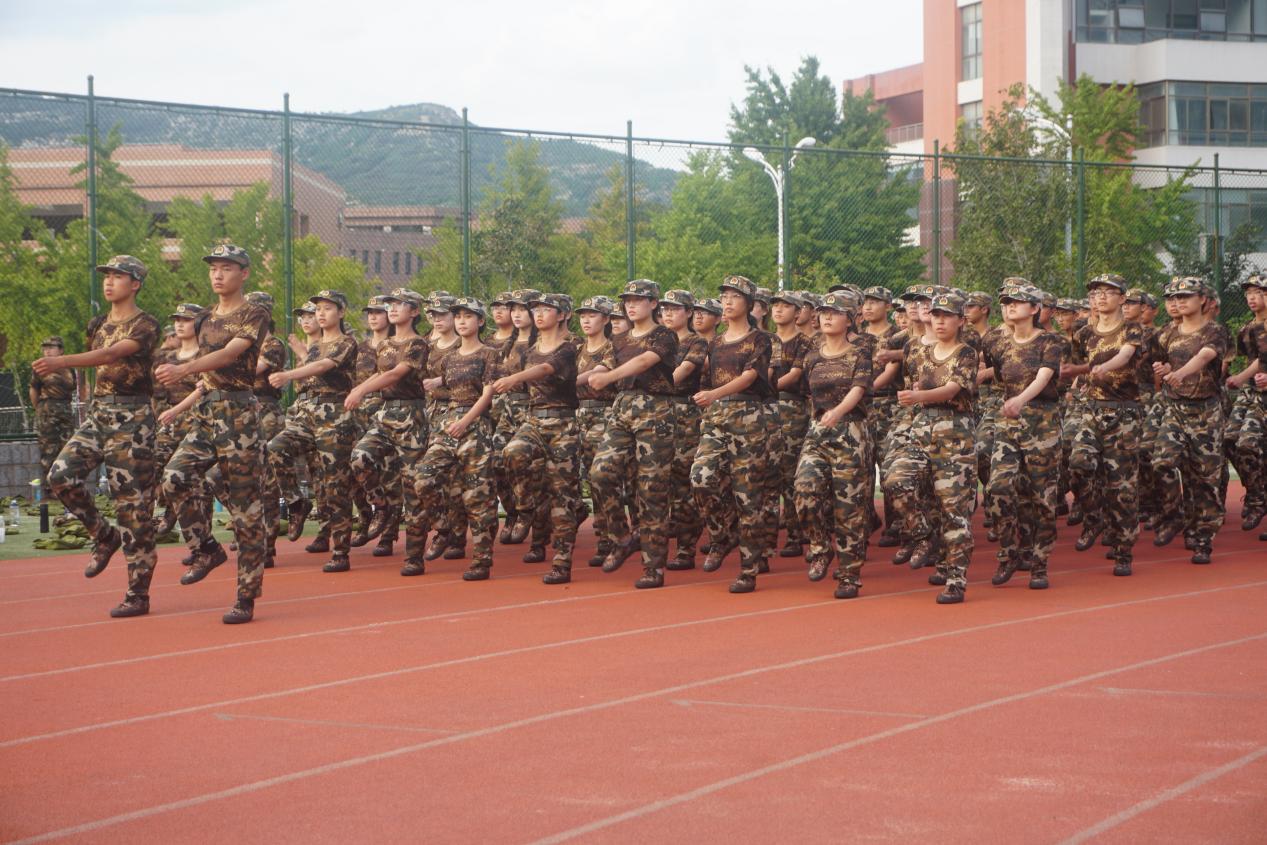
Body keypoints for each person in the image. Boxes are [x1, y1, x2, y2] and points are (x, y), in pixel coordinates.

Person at [35, 256, 160, 618]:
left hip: (133, 420)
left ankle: (138, 594)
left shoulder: (146, 324)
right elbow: (97, 363)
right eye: (107, 275)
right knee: (60, 475)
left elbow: (111, 354)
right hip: (99, 415)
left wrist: (62, 362)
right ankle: (103, 535)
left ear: (135, 284)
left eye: (118, 276)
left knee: (132, 508)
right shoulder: (97, 323)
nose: (109, 282)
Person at [155, 244, 269, 623]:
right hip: (207, 413)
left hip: (239, 417)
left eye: (226, 268)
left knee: (245, 510)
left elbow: (229, 355)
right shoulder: (204, 317)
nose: (218, 274)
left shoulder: (254, 312)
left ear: (244, 273)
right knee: (174, 477)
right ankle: (206, 548)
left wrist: (183, 369)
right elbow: (208, 377)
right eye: (213, 268)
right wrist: (182, 401)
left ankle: (245, 596)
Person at [884, 291, 978, 604]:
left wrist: (918, 397)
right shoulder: (916, 350)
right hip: (921, 427)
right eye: (936, 315)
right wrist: (914, 401)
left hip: (955, 434)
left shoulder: (966, 352)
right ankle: (924, 536)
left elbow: (951, 389)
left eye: (947, 316)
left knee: (953, 510)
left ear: (960, 321)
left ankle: (955, 579)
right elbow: (911, 383)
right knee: (896, 481)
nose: (940, 321)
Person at [589, 279, 679, 589]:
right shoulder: (618, 338)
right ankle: (623, 537)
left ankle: (653, 566)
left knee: (651, 490)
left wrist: (608, 377)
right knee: (600, 473)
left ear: (653, 303)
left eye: (638, 300)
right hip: (623, 407)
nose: (631, 305)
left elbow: (644, 361)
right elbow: (602, 366)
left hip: (656, 410)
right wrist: (594, 376)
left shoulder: (664, 335)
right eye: (627, 300)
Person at [690, 274, 772, 594]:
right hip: (717, 418)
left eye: (734, 296)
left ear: (749, 304)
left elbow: (751, 377)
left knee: (747, 497)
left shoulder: (760, 339)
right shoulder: (715, 343)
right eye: (724, 296)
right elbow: (704, 379)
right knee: (701, 477)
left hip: (748, 417)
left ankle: (749, 570)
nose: (727, 302)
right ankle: (722, 534)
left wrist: (715, 394)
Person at [265, 291, 358, 572]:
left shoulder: (346, 342)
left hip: (334, 416)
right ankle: (297, 502)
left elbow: (322, 367)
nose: (321, 314)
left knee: (334, 485)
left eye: (327, 308)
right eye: (318, 309)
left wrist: (287, 374)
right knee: (275, 448)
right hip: (308, 414)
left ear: (341, 312)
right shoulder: (316, 346)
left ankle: (340, 551)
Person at [496, 292, 583, 583]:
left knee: (562, 496)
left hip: (563, 424)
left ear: (562, 315)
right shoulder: (530, 349)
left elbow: (546, 369)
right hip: (534, 420)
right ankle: (525, 510)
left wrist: (515, 378)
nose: (539, 314)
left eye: (547, 309)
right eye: (536, 310)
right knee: (511, 453)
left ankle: (562, 561)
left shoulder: (568, 348)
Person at [982, 283, 1063, 589]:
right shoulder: (997, 343)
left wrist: (1021, 399)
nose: (1010, 306)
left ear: (1035, 308)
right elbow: (995, 375)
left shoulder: (1050, 341)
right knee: (998, 487)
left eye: (1017, 301)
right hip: (1009, 422)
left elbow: (1044, 377)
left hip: (1042, 421)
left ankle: (1039, 563)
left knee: (1042, 496)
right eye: (1006, 302)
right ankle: (1009, 553)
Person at [346, 288, 431, 576]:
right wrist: (359, 388)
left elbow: (395, 374)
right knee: (359, 457)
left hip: (411, 416)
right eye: (390, 304)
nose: (393, 309)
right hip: (386, 413)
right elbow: (380, 372)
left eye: (400, 304)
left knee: (413, 488)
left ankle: (414, 556)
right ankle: (381, 506)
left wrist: (361, 391)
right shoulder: (385, 344)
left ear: (414, 311)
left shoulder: (417, 343)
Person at [1064, 273, 1144, 576]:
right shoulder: (1084, 332)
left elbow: (1125, 355)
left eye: (1108, 292)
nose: (1100, 297)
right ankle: (1094, 516)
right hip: (1092, 409)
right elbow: (1082, 363)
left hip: (1124, 413)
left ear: (1122, 298)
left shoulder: (1132, 328)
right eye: (1096, 292)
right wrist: (1074, 374)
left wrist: (1103, 368)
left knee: (1121, 485)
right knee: (1077, 463)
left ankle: (1124, 550)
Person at [795, 291, 873, 598]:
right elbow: (808, 394)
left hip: (850, 432)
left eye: (835, 312)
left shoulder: (859, 355)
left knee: (849, 508)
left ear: (849, 320)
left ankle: (850, 575)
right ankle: (819, 547)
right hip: (818, 432)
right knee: (804, 489)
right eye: (824, 312)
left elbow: (859, 390)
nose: (827, 317)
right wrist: (819, 420)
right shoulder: (812, 357)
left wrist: (838, 412)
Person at [416, 297, 500, 580]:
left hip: (476, 426)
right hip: (448, 422)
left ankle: (481, 560)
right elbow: (444, 388)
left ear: (481, 321)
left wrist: (466, 421)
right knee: (423, 478)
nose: (462, 321)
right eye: (459, 316)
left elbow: (487, 395)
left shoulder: (489, 354)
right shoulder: (449, 357)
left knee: (477, 496)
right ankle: (444, 528)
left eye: (468, 316)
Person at [1150, 276, 1230, 564]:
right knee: (1161, 462)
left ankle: (1203, 539)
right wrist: (1163, 369)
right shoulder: (1166, 333)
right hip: (1175, 409)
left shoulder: (1215, 331)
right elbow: (1161, 361)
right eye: (1174, 297)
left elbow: (1205, 356)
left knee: (1204, 480)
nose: (1179, 301)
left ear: (1203, 300)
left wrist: (1180, 373)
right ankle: (1173, 514)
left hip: (1206, 412)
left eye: (1185, 296)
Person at [151, 304, 210, 558]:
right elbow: (157, 393)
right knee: (156, 466)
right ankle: (169, 511)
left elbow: (203, 388)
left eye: (186, 319)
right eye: (177, 319)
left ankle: (201, 543)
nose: (179, 324)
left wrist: (176, 411)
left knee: (198, 483)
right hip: (170, 421)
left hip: (198, 420)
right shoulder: (167, 358)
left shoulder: (206, 355)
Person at [660, 289, 709, 571]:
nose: (668, 313)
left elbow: (682, 373)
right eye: (665, 308)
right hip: (657, 413)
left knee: (682, 481)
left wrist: (649, 383)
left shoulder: (696, 342)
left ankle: (686, 549)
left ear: (689, 312)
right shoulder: (656, 339)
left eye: (675, 309)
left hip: (685, 415)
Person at [422, 293, 471, 563]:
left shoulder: (464, 345)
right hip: (429, 412)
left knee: (455, 479)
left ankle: (457, 537)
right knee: (428, 477)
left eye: (443, 314)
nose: (437, 319)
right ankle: (442, 527)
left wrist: (439, 381)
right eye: (433, 315)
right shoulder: (426, 345)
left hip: (456, 411)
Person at [350, 295, 401, 556]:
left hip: (387, 411)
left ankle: (388, 536)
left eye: (378, 312)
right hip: (358, 413)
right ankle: (366, 518)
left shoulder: (396, 345)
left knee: (390, 475)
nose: (373, 316)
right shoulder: (360, 348)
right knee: (357, 469)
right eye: (370, 312)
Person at [573, 296, 619, 566]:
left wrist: (565, 381)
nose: (586, 320)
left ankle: (607, 538)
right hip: (578, 414)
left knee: (598, 477)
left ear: (606, 319)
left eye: (592, 315)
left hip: (604, 414)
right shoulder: (576, 348)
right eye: (583, 315)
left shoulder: (613, 348)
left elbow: (596, 374)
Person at [769, 290, 810, 558]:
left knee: (789, 474)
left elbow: (795, 375)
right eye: (776, 305)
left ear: (797, 312)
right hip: (765, 408)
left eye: (785, 306)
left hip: (792, 408)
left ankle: (796, 534)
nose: (778, 310)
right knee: (767, 474)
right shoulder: (765, 339)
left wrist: (764, 386)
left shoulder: (803, 342)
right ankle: (766, 537)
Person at [860, 286, 902, 546]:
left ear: (888, 306)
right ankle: (866, 519)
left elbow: (891, 371)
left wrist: (862, 390)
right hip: (861, 407)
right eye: (865, 302)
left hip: (887, 403)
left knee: (888, 466)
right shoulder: (857, 336)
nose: (868, 306)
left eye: (875, 302)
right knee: (862, 467)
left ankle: (894, 524)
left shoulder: (896, 335)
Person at [1225, 276, 1267, 531]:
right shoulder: (1247, 329)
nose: (1253, 297)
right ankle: (1256, 490)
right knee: (1229, 439)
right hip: (1251, 392)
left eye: (1259, 292)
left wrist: (1241, 377)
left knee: (1249, 443)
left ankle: (1258, 497)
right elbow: (1252, 359)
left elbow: (1261, 361)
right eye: (1249, 292)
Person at [29, 336, 80, 492]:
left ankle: (66, 487)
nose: (47, 351)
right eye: (45, 348)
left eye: (51, 347)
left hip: (65, 409)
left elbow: (72, 388)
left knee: (68, 449)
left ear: (61, 350)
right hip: (47, 409)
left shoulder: (69, 369)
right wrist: (40, 409)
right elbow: (33, 389)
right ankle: (49, 490)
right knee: (48, 450)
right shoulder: (40, 368)